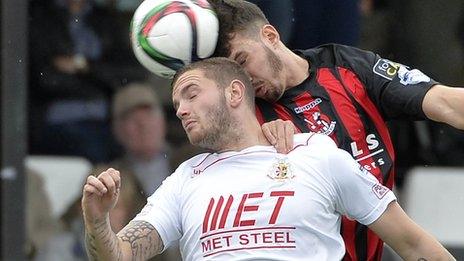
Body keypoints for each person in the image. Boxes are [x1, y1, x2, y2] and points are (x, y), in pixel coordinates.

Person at [81, 57, 455, 260]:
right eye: (177, 102)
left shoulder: (316, 154)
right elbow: (120, 256)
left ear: (234, 92)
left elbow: (414, 244)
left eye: (191, 95)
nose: (180, 110)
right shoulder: (186, 177)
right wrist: (97, 221)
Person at [208, 1, 464, 260]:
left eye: (243, 60)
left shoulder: (346, 67)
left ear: (270, 36)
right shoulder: (246, 115)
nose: (245, 80)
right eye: (234, 75)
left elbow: (446, 103)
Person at [111, 82, 171, 196]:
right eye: (132, 119)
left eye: (149, 115)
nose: (143, 124)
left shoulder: (195, 160)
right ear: (118, 129)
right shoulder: (109, 180)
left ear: (163, 121)